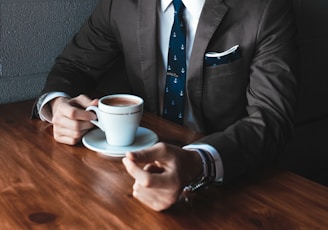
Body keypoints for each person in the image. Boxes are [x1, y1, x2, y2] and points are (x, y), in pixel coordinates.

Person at [34, 0, 299, 211]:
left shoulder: (266, 7)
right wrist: (57, 105)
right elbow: (74, 65)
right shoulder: (120, 4)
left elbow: (271, 118)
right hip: (129, 174)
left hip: (229, 187)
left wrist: (197, 162)